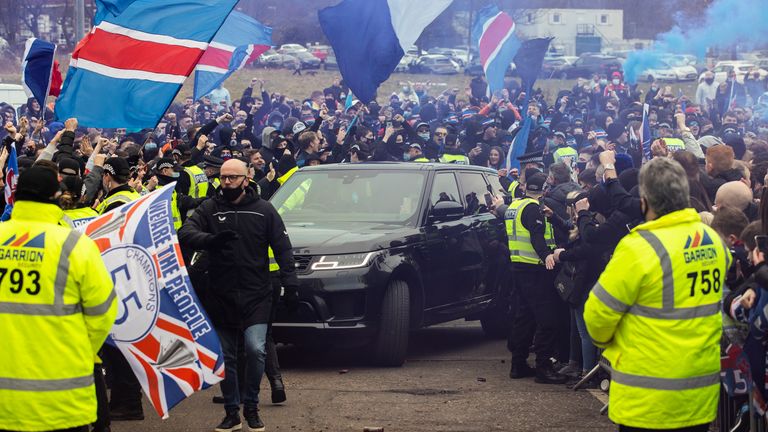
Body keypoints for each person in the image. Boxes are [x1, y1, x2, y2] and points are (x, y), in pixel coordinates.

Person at [584, 157, 730, 431]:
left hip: (647, 400)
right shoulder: (711, 239)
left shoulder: (638, 248)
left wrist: (609, 340)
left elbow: (597, 316)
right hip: (699, 396)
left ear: (644, 199)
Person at [179, 159, 299, 432]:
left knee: (256, 349)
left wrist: (291, 285)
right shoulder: (210, 208)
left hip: (256, 293)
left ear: (246, 179)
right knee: (227, 356)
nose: (227, 183)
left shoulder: (264, 210)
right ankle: (232, 412)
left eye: (233, 178)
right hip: (220, 294)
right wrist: (210, 240)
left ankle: (252, 407)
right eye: (223, 178)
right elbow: (185, 232)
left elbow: (283, 248)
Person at [0, 166, 117, 432]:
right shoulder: (74, 245)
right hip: (62, 395)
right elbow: (104, 310)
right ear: (55, 195)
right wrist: (82, 349)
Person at [492, 172, 566, 384]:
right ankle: (544, 367)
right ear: (544, 190)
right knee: (547, 319)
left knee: (525, 317)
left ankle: (518, 364)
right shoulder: (533, 208)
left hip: (519, 267)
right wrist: (546, 257)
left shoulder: (515, 206)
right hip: (536, 270)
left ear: (524, 188)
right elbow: (536, 236)